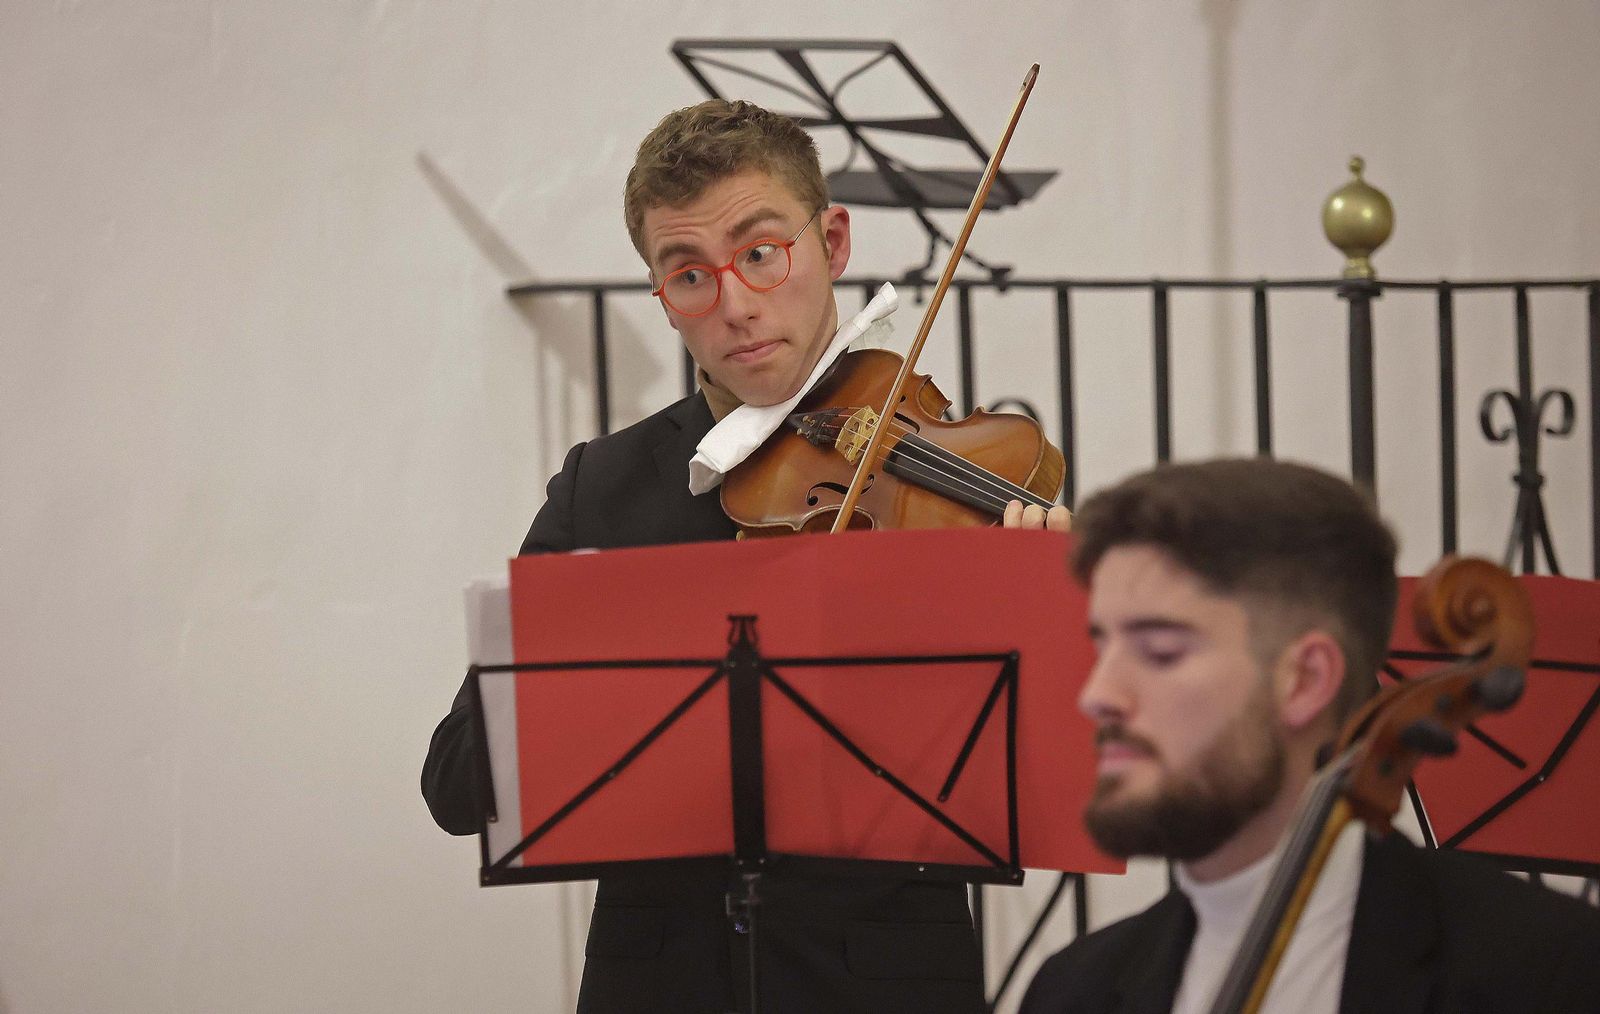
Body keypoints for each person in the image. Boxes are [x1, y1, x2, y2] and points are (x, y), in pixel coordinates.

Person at [423, 98, 1066, 1014]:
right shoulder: (602, 488)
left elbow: (1059, 775)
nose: (734, 305)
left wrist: (1052, 617)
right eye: (688, 275)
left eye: (762, 254)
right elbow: (455, 785)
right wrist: (614, 673)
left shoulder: (946, 482)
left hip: (886, 983)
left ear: (833, 242)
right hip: (657, 986)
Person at [1020, 458, 1600, 1014]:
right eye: (1101, 645)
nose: (1097, 694)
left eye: (1161, 651)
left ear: (1305, 681)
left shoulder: (1548, 975)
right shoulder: (1074, 991)